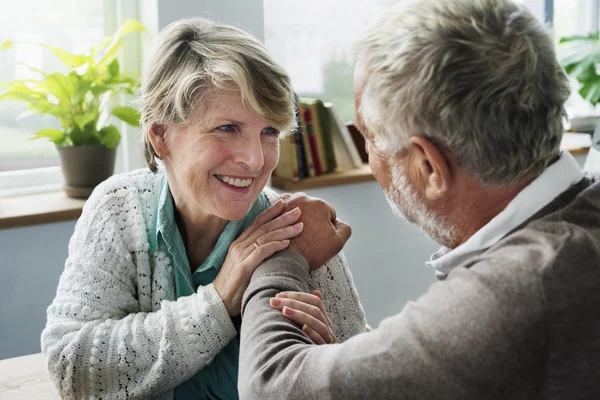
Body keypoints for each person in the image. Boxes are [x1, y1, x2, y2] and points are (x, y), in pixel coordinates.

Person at [238, 0, 600, 399]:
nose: (369, 156)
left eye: (370, 139)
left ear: (428, 166)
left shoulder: (515, 294)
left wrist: (282, 253)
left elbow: (270, 385)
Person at [40, 18, 366, 399]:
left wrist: (326, 363)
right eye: (227, 128)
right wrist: (218, 301)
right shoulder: (117, 209)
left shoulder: (297, 230)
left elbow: (361, 381)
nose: (256, 160)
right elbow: (72, 366)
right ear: (161, 136)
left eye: (269, 132)